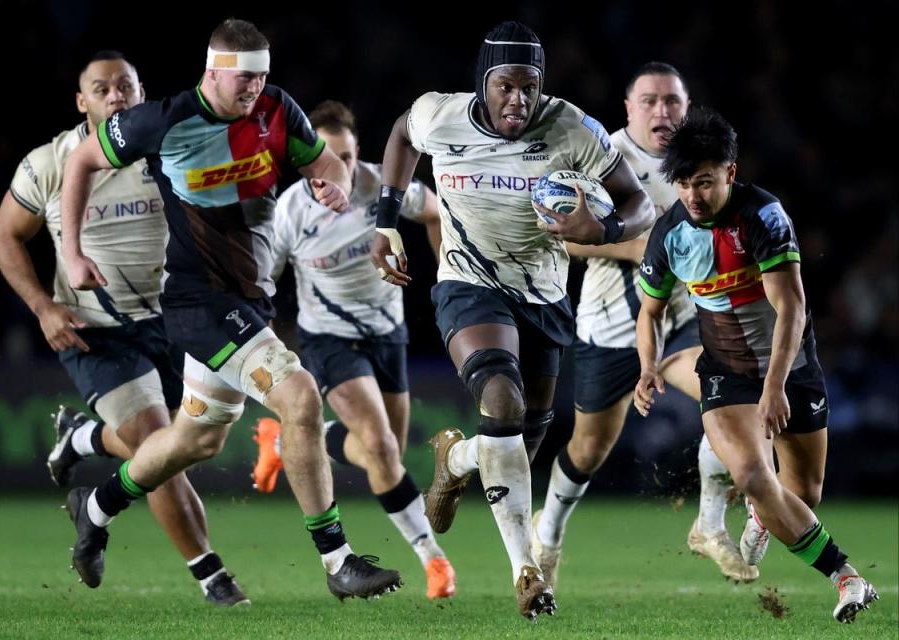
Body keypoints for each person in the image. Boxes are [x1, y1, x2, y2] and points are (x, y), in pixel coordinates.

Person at [58, 19, 401, 601]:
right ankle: (338, 561)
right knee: (299, 396)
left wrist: (334, 184)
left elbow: (325, 165)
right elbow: (80, 162)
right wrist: (71, 251)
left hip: (249, 303)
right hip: (197, 302)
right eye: (244, 78)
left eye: (263, 76)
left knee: (195, 439)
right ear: (212, 71)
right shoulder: (161, 121)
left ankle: (94, 508)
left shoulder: (276, 109)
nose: (255, 88)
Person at [370, 21, 655, 620]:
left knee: (519, 444)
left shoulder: (573, 127)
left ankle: (457, 459)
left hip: (545, 296)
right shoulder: (440, 115)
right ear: (484, 82)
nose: (519, 101)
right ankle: (527, 572)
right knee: (501, 403)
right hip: (468, 284)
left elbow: (639, 204)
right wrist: (385, 218)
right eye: (506, 87)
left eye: (530, 87)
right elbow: (400, 133)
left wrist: (601, 230)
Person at [0, 51, 248, 606]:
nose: (115, 96)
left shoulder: (169, 150)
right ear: (81, 102)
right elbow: (4, 237)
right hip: (99, 332)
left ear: (139, 93)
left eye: (124, 87)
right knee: (156, 443)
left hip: (177, 323)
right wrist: (42, 307)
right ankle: (213, 578)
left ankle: (80, 439)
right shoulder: (49, 164)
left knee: (199, 441)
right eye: (101, 88)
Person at [635, 107, 878, 623]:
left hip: (790, 367)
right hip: (724, 370)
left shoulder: (763, 216)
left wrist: (775, 387)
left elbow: (792, 307)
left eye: (703, 182)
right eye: (683, 184)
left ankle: (760, 512)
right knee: (751, 472)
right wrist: (645, 365)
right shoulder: (670, 233)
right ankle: (848, 577)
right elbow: (650, 311)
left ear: (730, 171)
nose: (693, 196)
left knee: (803, 494)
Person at [531, 62, 755, 586]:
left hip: (681, 319)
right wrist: (637, 248)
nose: (663, 110)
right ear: (628, 108)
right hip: (608, 327)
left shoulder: (700, 162)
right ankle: (549, 535)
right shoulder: (600, 156)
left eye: (673, 100)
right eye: (650, 100)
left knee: (726, 396)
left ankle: (709, 523)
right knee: (588, 449)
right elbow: (557, 234)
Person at [251, 100, 455, 599]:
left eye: (344, 157)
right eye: (324, 159)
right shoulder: (289, 213)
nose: (335, 171)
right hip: (330, 340)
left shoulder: (381, 187)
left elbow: (434, 212)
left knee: (383, 451)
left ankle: (283, 443)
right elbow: (262, 285)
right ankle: (435, 564)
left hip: (389, 333)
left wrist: (449, 272)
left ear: (358, 153)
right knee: (381, 446)